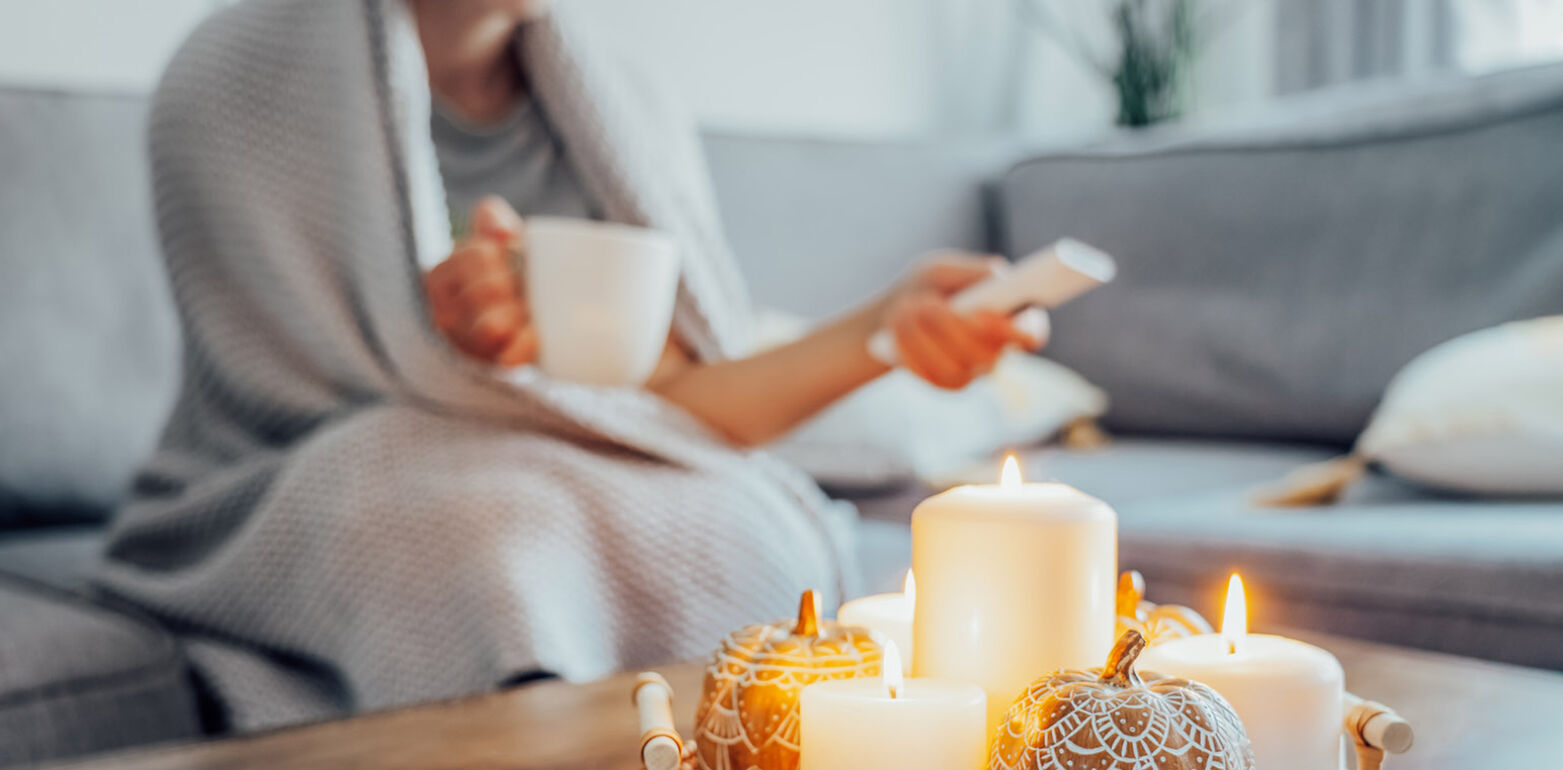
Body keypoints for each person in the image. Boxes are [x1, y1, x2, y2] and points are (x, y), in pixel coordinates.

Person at [94, 0, 1048, 730]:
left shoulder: (623, 99)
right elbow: (318, 381)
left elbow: (680, 400)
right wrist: (459, 348)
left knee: (738, 521)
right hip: (298, 467)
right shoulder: (240, 74)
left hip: (543, 457)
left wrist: (887, 324)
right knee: (479, 535)